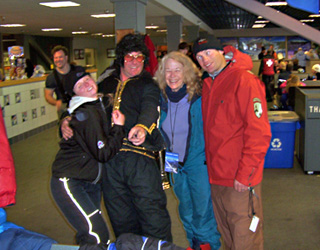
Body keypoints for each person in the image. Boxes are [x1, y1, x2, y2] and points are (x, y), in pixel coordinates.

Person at [62, 33, 172, 241]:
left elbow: (150, 108)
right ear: (121, 58)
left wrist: (142, 126)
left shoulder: (148, 84)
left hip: (140, 158)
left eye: (139, 57)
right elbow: (80, 101)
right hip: (109, 161)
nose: (134, 62)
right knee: (121, 219)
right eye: (129, 56)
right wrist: (65, 119)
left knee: (153, 216)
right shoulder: (105, 84)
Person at [193, 37, 271, 250]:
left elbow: (259, 133)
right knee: (228, 235)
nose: (204, 60)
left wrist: (245, 174)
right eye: (199, 56)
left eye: (208, 53)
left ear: (221, 52)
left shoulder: (244, 80)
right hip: (217, 176)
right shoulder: (209, 82)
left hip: (239, 177)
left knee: (245, 237)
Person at [51, 67, 126, 246]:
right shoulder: (86, 112)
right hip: (70, 180)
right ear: (74, 93)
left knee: (89, 234)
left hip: (89, 181)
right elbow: (104, 153)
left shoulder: (98, 103)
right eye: (79, 85)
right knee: (97, 234)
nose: (86, 84)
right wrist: (118, 127)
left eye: (87, 79)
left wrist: (64, 118)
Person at [155, 51, 221, 250]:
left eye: (178, 70)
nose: (173, 75)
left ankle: (207, 244)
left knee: (203, 209)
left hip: (197, 159)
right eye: (168, 71)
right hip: (173, 160)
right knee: (185, 207)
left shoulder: (200, 95)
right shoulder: (160, 98)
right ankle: (194, 242)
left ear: (187, 73)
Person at [45, 45, 86, 118]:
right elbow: (48, 95)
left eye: (60, 57)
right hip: (64, 107)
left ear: (66, 58)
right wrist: (56, 103)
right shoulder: (51, 77)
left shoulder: (78, 70)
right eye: (56, 58)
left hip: (81, 103)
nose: (58, 60)